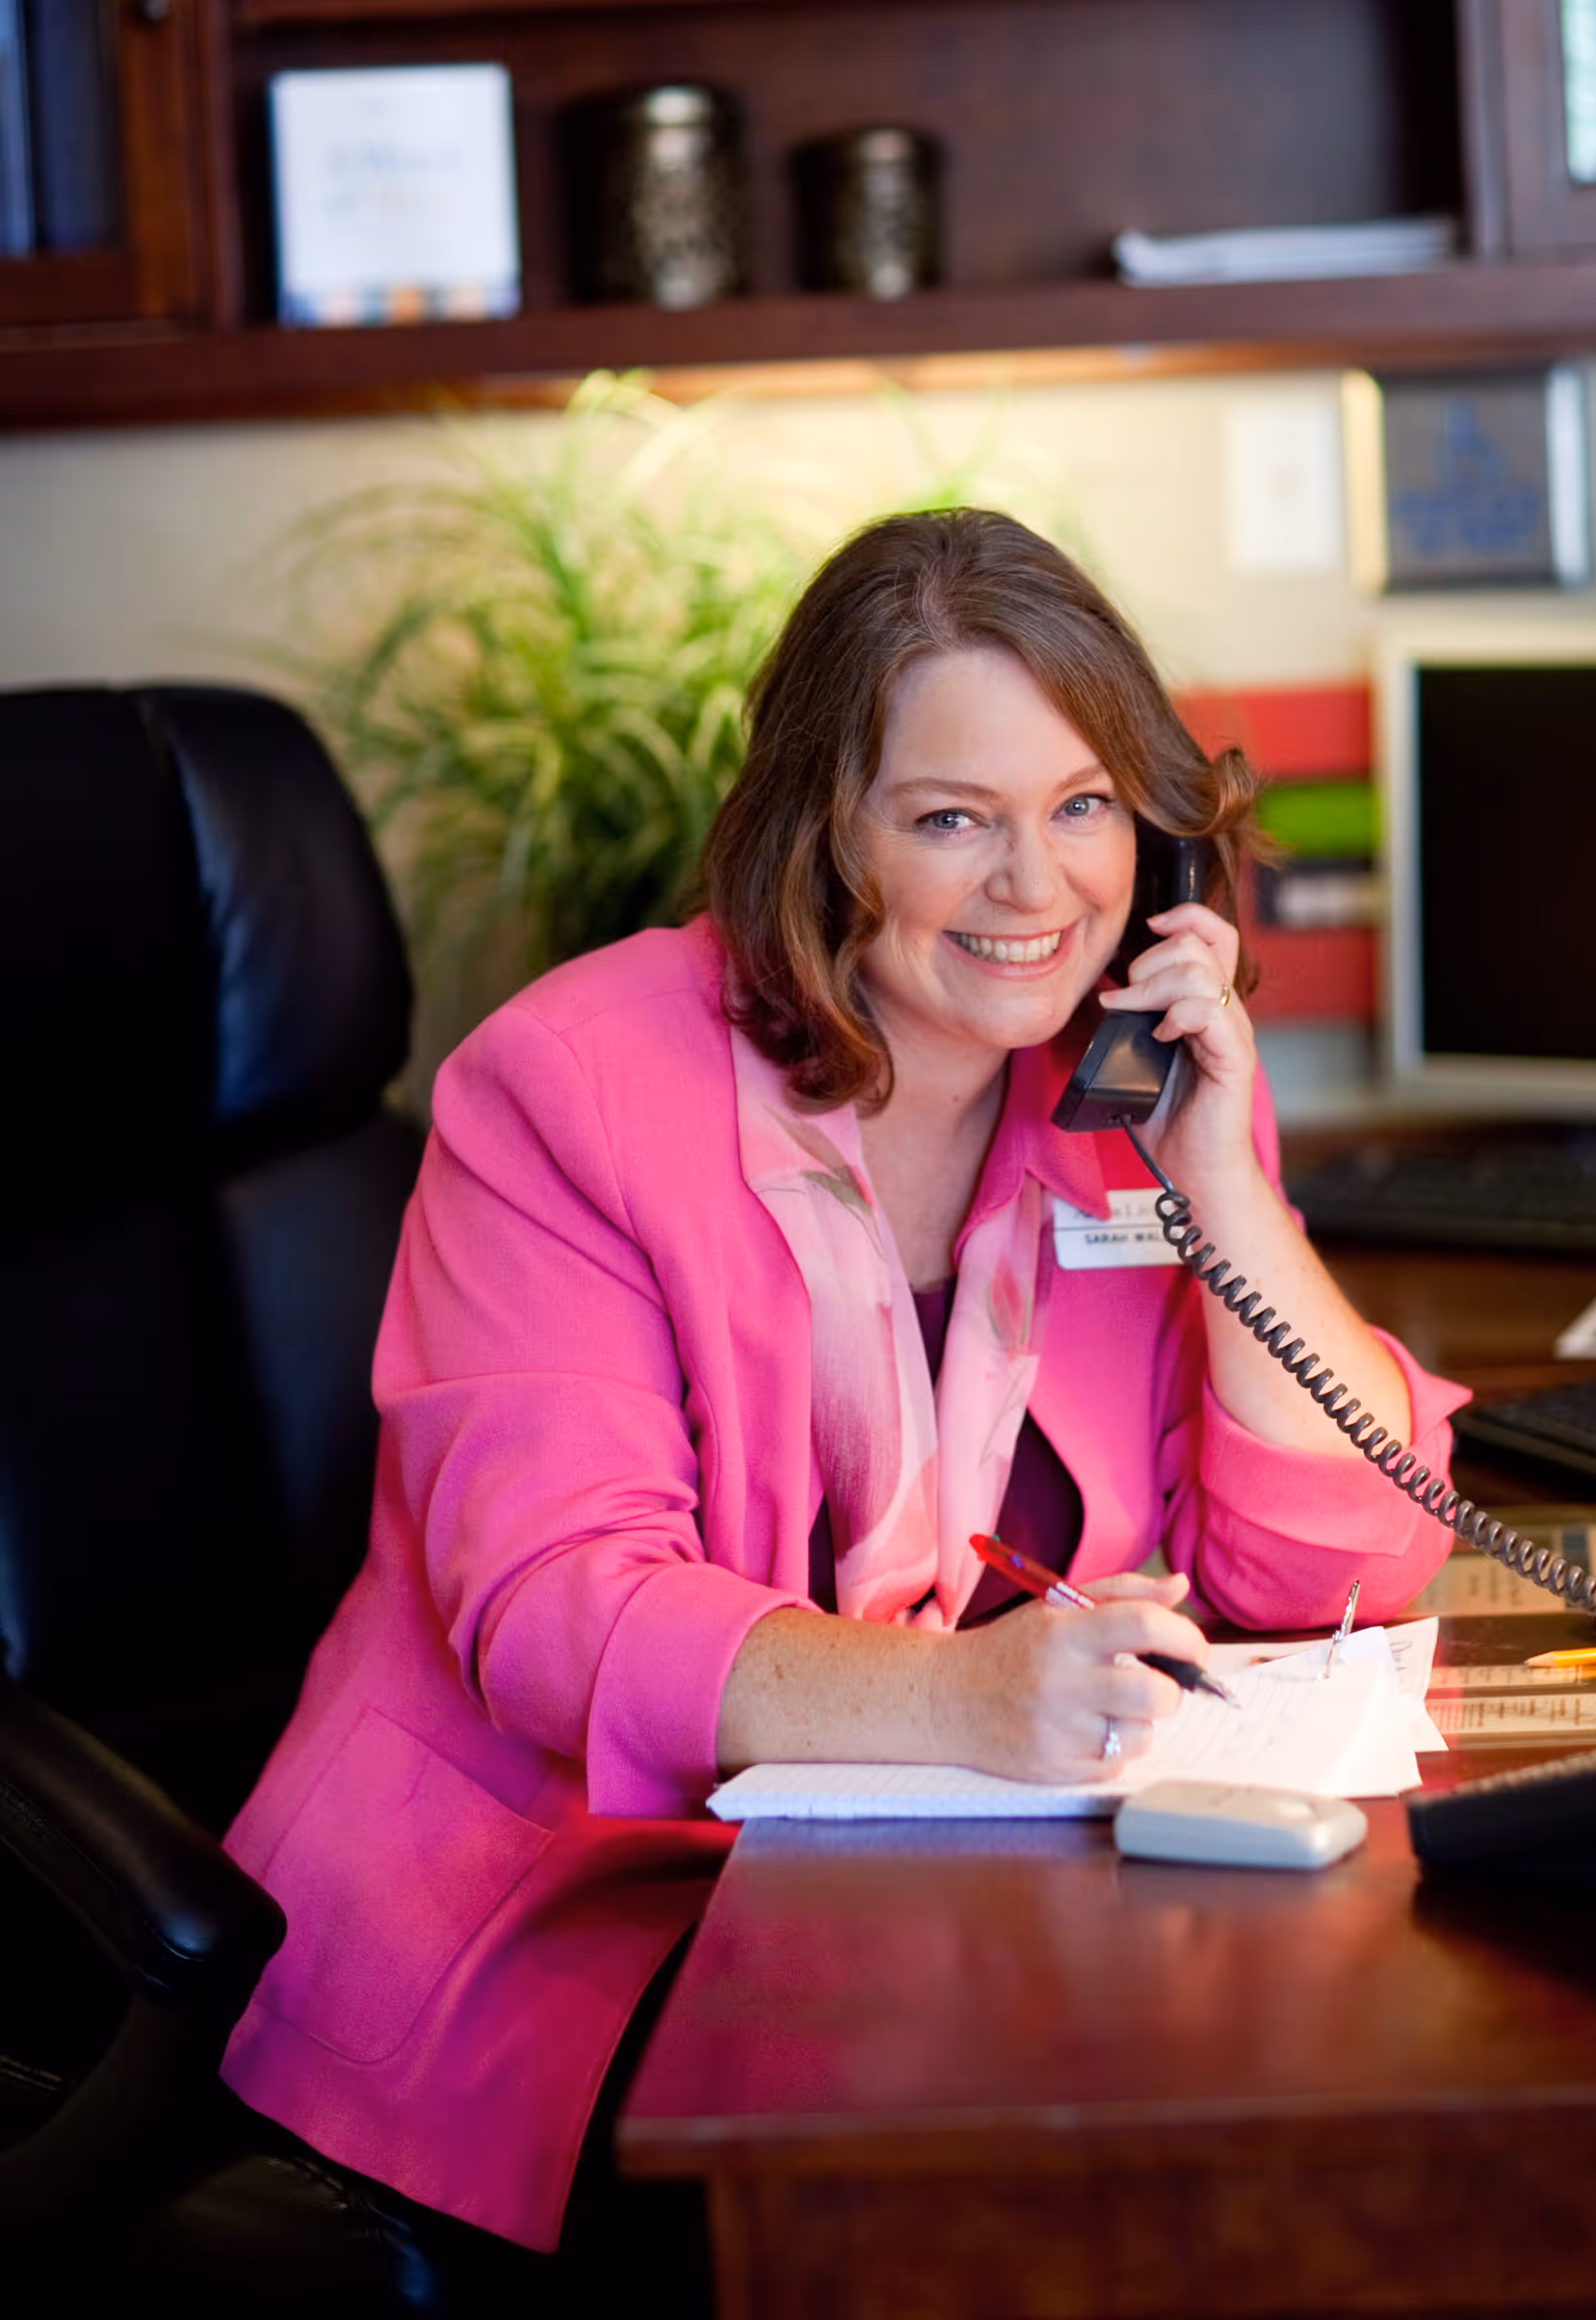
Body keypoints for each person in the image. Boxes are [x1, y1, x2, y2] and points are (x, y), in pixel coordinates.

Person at [220, 508, 1469, 2255]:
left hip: (935, 1887)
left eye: (1086, 808)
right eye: (953, 818)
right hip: (562, 1920)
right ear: (824, 836)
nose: (1037, 891)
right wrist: (968, 1703)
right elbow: (556, 1612)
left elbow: (1332, 1568)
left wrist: (1233, 1194)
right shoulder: (565, 1095)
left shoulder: (1138, 1101)